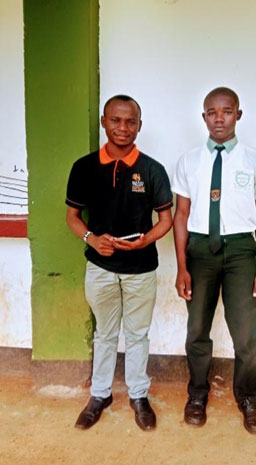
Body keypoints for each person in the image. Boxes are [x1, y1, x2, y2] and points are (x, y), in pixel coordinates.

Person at [172, 87, 256, 434]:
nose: (219, 118)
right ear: (203, 117)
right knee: (197, 328)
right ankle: (197, 395)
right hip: (200, 250)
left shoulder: (255, 160)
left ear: (238, 115)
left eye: (227, 111)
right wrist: (182, 266)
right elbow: (181, 215)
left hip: (240, 252)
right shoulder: (189, 161)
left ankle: (248, 398)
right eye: (212, 112)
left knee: (246, 333)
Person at [65, 94, 173, 431]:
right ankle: (100, 395)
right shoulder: (84, 167)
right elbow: (72, 217)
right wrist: (91, 239)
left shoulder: (152, 170)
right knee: (105, 334)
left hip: (141, 268)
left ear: (139, 126)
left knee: (138, 335)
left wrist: (146, 239)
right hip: (100, 268)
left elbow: (166, 220)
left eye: (130, 122)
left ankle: (138, 395)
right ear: (103, 122)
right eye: (116, 120)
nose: (122, 128)